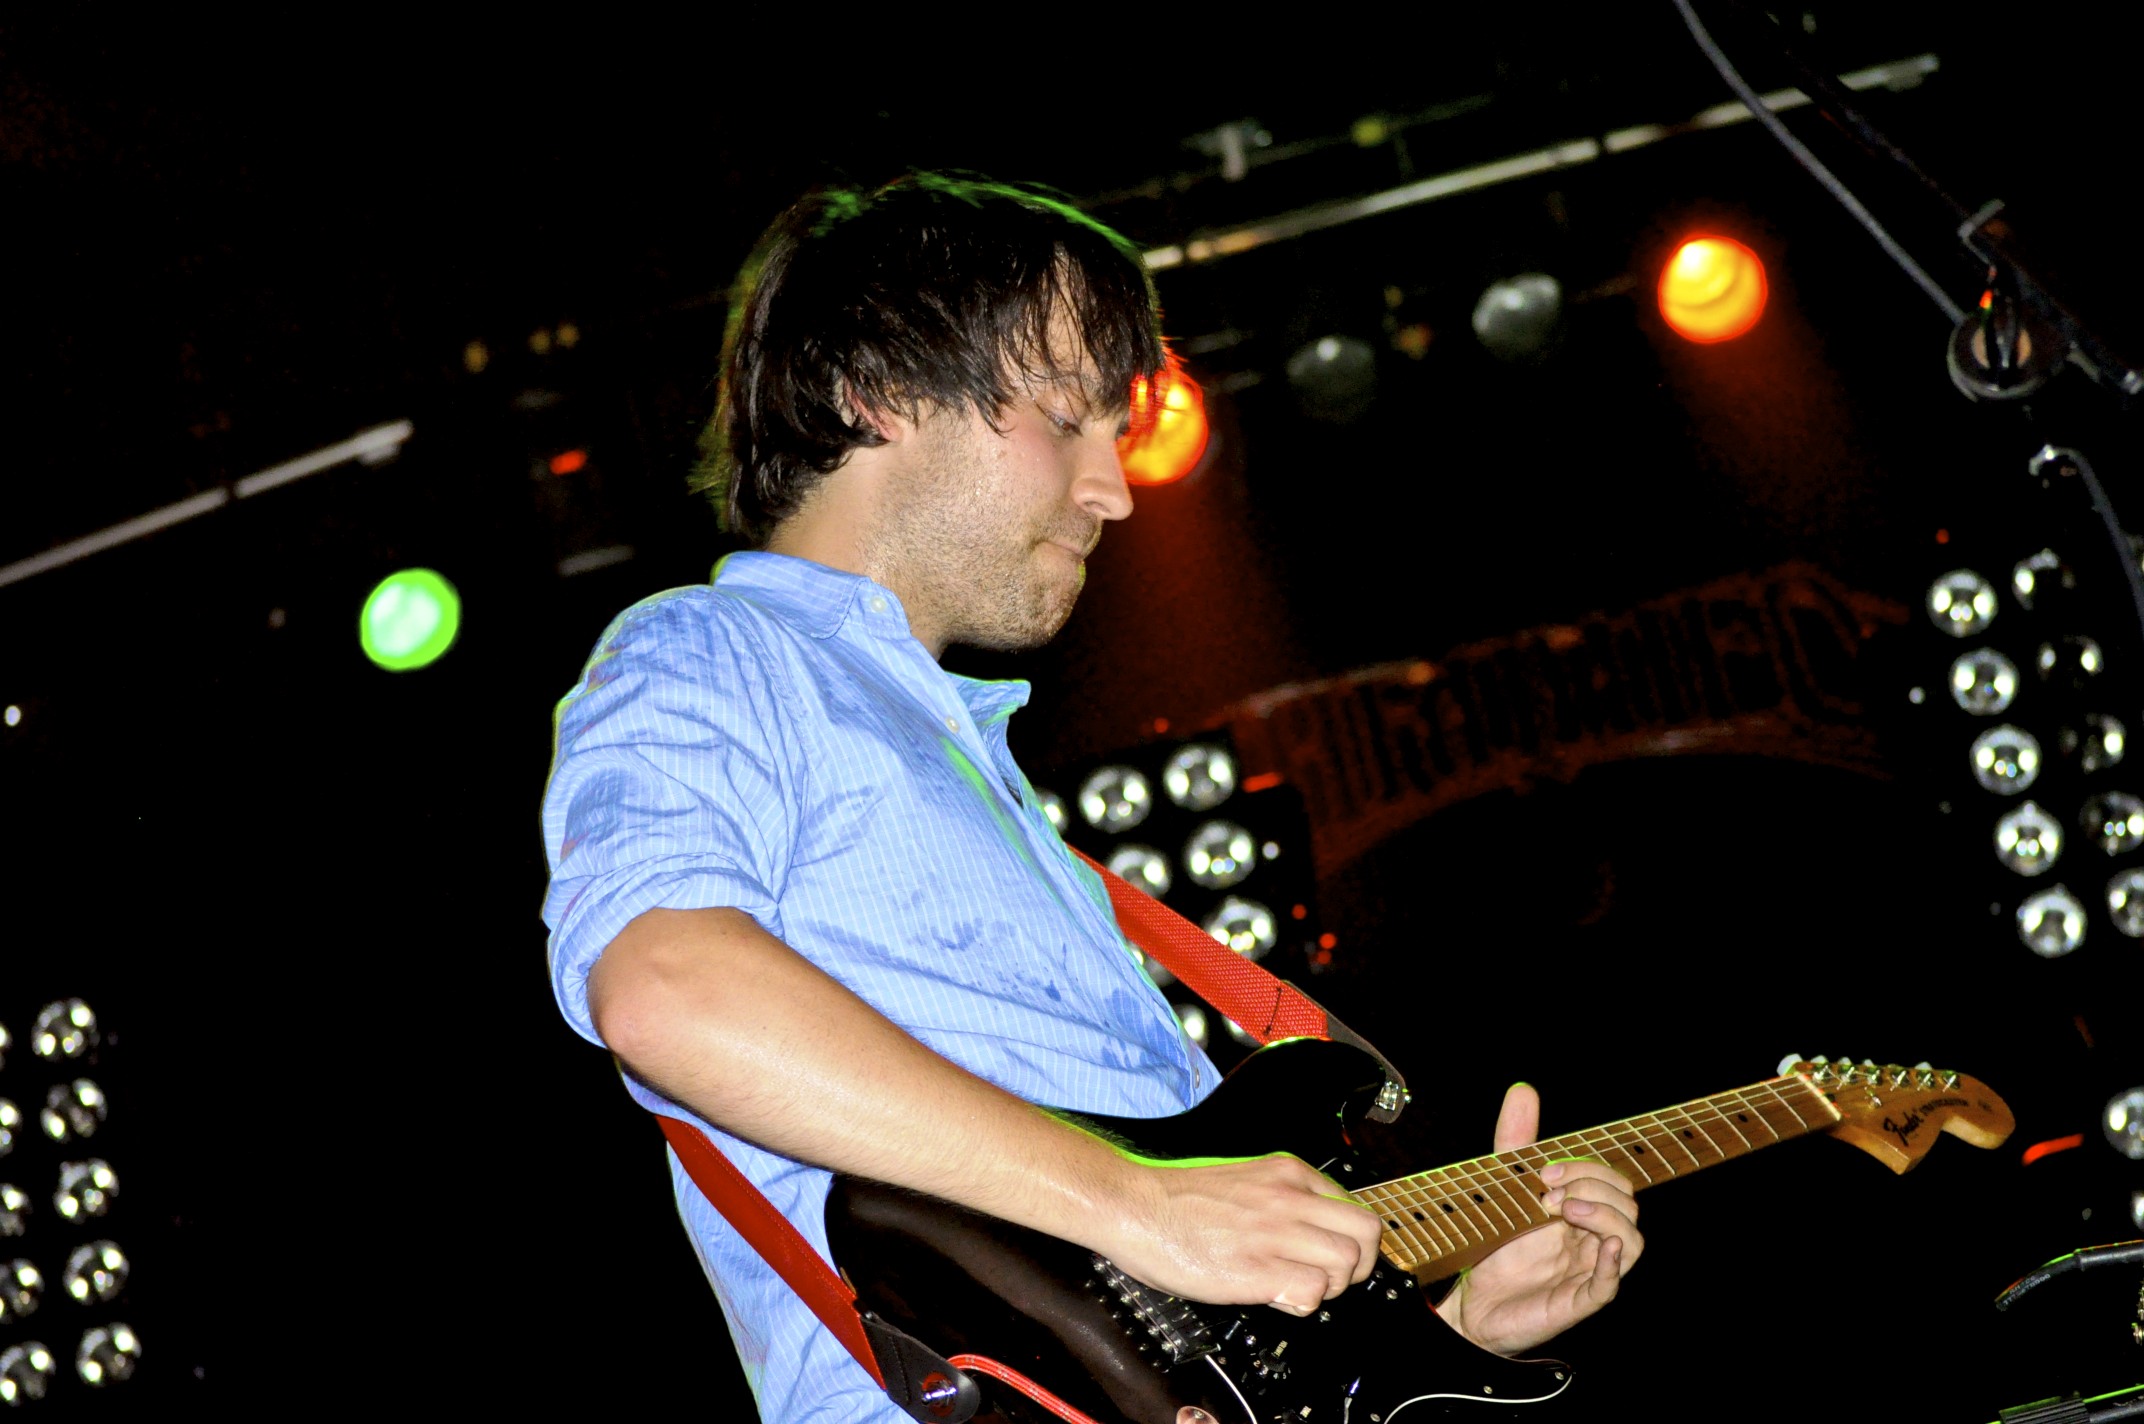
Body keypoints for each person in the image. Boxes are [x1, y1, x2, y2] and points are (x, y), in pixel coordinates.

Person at [540, 172, 1642, 1422]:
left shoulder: (977, 773)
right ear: (875, 387)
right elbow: (664, 985)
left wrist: (1446, 1330)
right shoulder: (709, 651)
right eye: (1067, 416)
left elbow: (1174, 1320)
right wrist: (1136, 1200)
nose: (1113, 487)